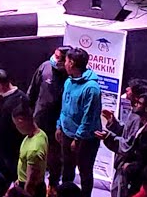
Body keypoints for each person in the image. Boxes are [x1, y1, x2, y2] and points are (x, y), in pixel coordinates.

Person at [100, 92, 147, 197]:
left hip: (143, 179)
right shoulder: (145, 125)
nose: (136, 105)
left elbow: (146, 157)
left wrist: (131, 166)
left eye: (140, 103)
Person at [56, 47, 102, 197]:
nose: (65, 63)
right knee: (67, 169)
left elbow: (88, 118)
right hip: (66, 133)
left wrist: (78, 138)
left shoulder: (92, 88)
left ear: (73, 63)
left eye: (67, 61)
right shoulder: (68, 81)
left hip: (85, 139)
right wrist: (59, 125)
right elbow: (64, 106)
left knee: (85, 171)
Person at [27, 46, 69, 191]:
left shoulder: (70, 77)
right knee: (34, 154)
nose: (55, 59)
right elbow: (32, 91)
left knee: (54, 158)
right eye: (55, 55)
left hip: (57, 126)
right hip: (39, 120)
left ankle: (52, 186)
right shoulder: (45, 67)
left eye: (59, 58)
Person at [12, 104, 48, 197]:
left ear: (21, 121)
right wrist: (19, 179)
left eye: (16, 124)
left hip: (31, 190)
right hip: (24, 182)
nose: (16, 127)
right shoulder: (40, 134)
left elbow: (31, 181)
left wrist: (25, 192)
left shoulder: (34, 149)